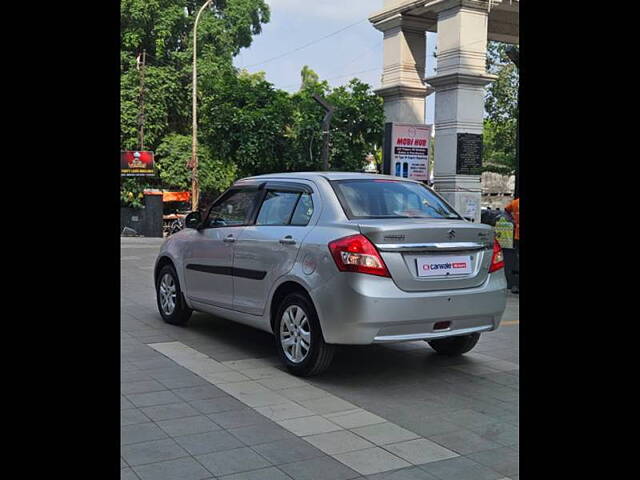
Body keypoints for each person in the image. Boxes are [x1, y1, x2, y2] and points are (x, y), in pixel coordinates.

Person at [504, 197, 519, 294]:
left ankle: (515, 285)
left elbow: (506, 211)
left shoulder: (515, 202)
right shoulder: (515, 202)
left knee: (517, 260)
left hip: (518, 236)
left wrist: (512, 221)